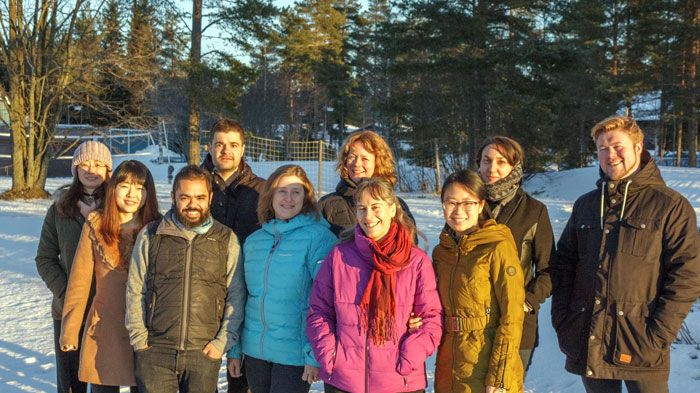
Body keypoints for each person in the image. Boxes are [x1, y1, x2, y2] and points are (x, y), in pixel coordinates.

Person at [550, 115, 700, 393]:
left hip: (641, 340)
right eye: (603, 149)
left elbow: (687, 276)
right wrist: (563, 320)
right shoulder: (586, 205)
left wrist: (659, 334)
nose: (610, 155)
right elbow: (563, 265)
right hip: (589, 335)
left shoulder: (669, 205)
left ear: (638, 146)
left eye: (618, 146)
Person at [307, 178, 442, 393]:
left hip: (400, 382)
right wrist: (330, 355)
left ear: (391, 209)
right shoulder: (339, 256)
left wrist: (408, 358)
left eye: (376, 207)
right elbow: (319, 311)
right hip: (344, 381)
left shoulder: (415, 261)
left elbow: (431, 318)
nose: (368, 216)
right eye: (362, 208)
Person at [125, 165, 246, 393]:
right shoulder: (152, 235)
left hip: (203, 352)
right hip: (156, 350)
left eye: (200, 197)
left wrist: (222, 342)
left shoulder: (225, 239)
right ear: (173, 197)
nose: (192, 204)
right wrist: (140, 339)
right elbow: (135, 289)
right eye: (185, 197)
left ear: (210, 197)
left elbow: (236, 294)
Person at [227, 165, 337, 393]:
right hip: (256, 352)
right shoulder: (254, 241)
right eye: (282, 191)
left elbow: (326, 300)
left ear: (306, 197)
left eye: (296, 192)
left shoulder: (319, 238)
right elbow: (242, 297)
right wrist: (235, 349)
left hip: (295, 356)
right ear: (270, 195)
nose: (289, 198)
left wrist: (313, 353)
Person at [60, 160, 160, 392]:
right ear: (113, 188)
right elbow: (79, 282)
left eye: (140, 188)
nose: (132, 194)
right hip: (105, 326)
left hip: (146, 327)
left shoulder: (158, 228)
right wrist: (70, 330)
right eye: (125, 186)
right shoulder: (95, 225)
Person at [432, 169, 526, 393]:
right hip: (449, 361)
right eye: (451, 202)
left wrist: (499, 375)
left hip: (486, 362)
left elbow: (512, 315)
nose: (458, 211)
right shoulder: (441, 252)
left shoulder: (497, 246)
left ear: (481, 205)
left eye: (468, 203)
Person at [35, 140, 112, 393]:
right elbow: (45, 258)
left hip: (107, 312)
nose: (91, 169)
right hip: (68, 311)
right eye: (85, 164)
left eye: (99, 164)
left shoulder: (119, 208)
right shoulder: (59, 210)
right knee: (70, 385)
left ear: (108, 171)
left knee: (104, 384)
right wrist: (67, 293)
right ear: (75, 170)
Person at [477, 136, 554, 375]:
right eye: (486, 160)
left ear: (514, 166)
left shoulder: (534, 211)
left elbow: (550, 269)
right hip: (473, 322)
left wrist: (528, 302)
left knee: (506, 386)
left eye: (501, 162)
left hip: (517, 324)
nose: (492, 168)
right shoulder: (468, 205)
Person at [202, 119, 264, 393]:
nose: (225, 150)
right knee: (201, 371)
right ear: (210, 147)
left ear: (243, 149)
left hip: (249, 289)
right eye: (219, 144)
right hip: (202, 290)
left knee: (242, 377)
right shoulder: (195, 183)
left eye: (233, 145)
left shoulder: (260, 190)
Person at [318, 130, 415, 237]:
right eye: (352, 157)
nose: (357, 164)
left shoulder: (396, 205)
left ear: (377, 163)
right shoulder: (327, 205)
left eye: (365, 159)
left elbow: (409, 245)